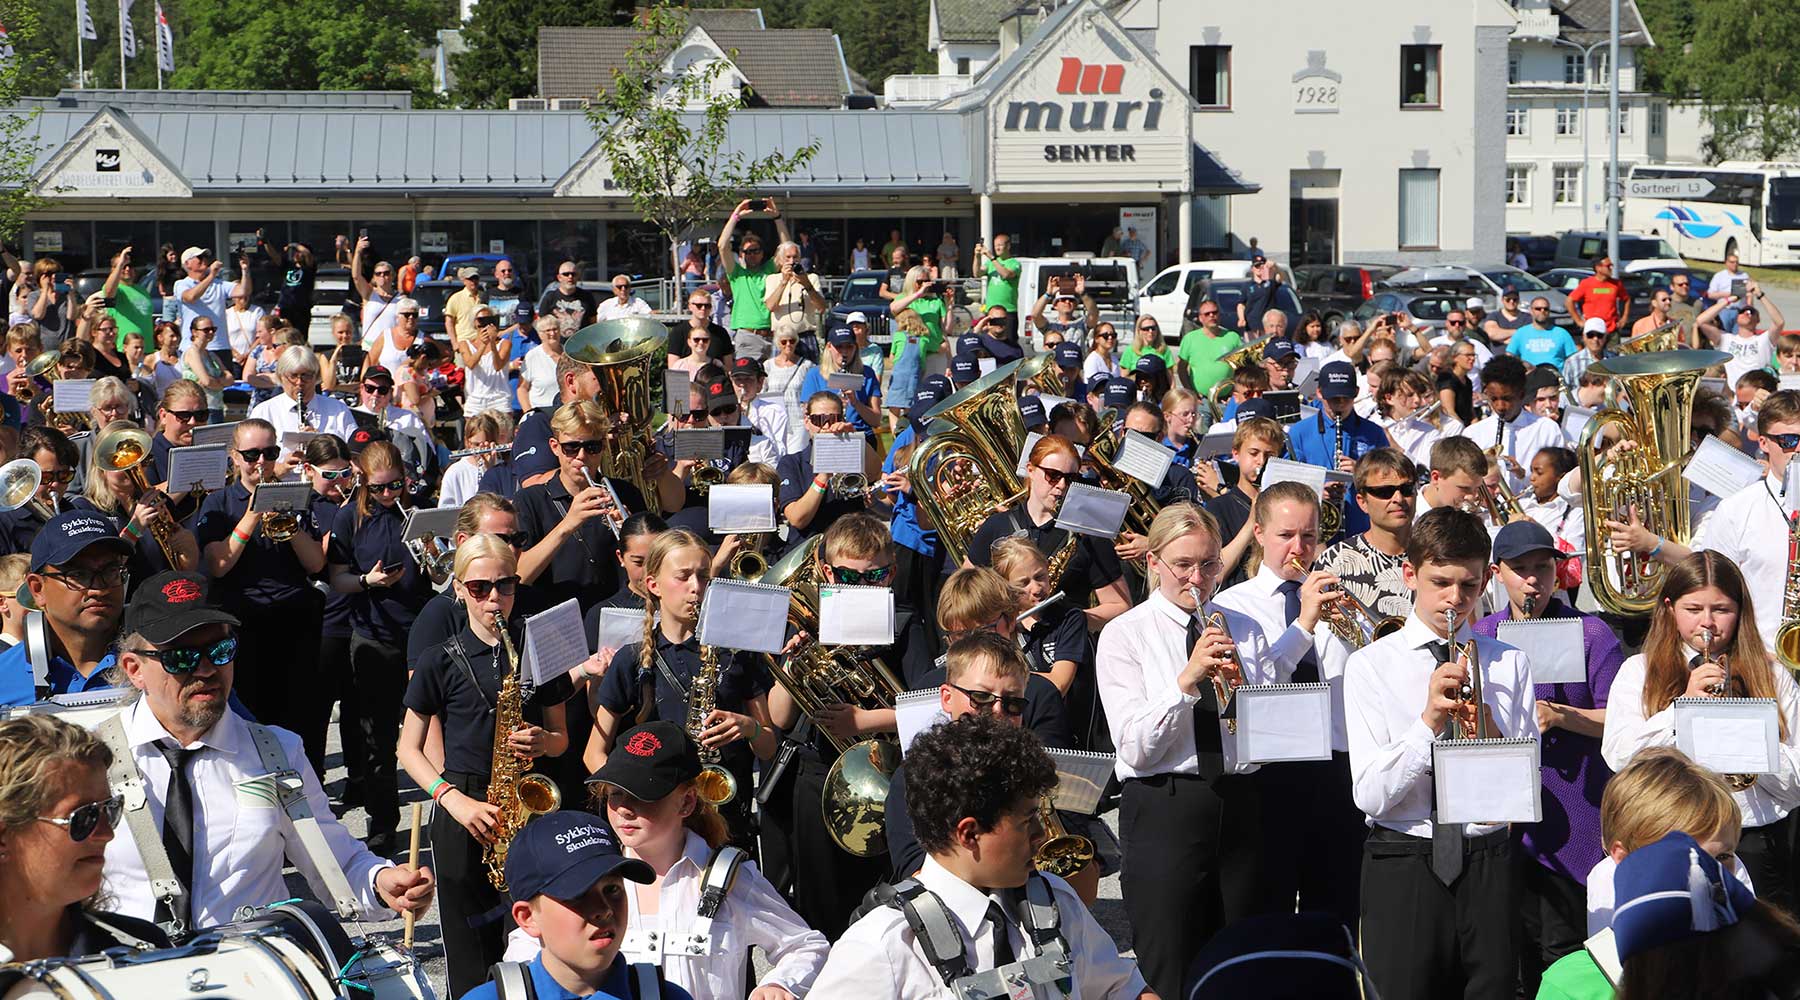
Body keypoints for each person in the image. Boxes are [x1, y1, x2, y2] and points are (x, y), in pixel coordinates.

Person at [104, 569, 434, 934]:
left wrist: (381, 882)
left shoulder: (277, 752)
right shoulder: (89, 756)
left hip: (249, 972)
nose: (206, 668)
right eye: (180, 658)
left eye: (220, 650)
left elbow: (331, 856)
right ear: (134, 669)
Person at [813, 714, 1151, 999]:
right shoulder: (884, 947)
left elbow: (1120, 987)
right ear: (969, 834)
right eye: (1026, 821)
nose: (1041, 834)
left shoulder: (1054, 901)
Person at [1343, 506, 1537, 1000]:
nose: (1455, 600)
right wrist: (1428, 723)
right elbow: (1370, 795)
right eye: (1440, 582)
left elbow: (1521, 789)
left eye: (1469, 586)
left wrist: (1487, 722)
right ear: (1409, 574)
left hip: (1486, 857)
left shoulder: (1508, 661)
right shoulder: (1369, 666)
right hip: (1404, 854)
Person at [524, 720, 830, 999]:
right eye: (615, 794)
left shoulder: (732, 877)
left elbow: (806, 945)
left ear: (686, 801)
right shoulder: (588, 879)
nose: (624, 809)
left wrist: (777, 984)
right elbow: (524, 945)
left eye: (643, 795)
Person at [399, 533, 572, 997]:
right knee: (467, 941)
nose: (494, 598)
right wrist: (453, 802)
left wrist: (544, 740)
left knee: (535, 938)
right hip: (463, 806)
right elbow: (407, 750)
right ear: (458, 589)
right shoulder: (440, 659)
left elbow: (562, 740)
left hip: (522, 804)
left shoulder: (539, 647)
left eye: (505, 585)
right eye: (480, 588)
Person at [1471, 521, 1622, 991]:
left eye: (1543, 567)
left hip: (1576, 809)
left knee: (1565, 943)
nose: (1533, 579)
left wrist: (1562, 716)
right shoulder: (1480, 634)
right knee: (1509, 943)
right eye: (1520, 569)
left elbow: (1619, 721)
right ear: (1497, 574)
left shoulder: (1592, 632)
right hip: (1508, 814)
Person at [1601, 550, 1800, 907]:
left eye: (1721, 610)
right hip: (1670, 837)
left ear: (1740, 611)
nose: (1707, 623)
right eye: (1693, 610)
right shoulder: (1638, 672)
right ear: (1669, 608)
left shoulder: (1773, 677)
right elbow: (1619, 757)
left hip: (1757, 841)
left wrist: (1747, 739)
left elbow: (1797, 782)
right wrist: (1683, 710)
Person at [1214, 482, 1363, 930]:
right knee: (1269, 903)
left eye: (1310, 536)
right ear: (1258, 533)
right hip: (1271, 768)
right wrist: (1304, 623)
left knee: (1336, 907)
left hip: (1335, 762)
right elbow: (1253, 690)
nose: (1299, 548)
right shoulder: (1232, 605)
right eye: (1286, 535)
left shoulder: (1336, 595)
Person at [585, 529, 777, 846]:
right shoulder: (631, 660)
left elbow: (768, 746)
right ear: (653, 585)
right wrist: (631, 796)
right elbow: (594, 752)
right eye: (683, 577)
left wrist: (751, 728)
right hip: (659, 821)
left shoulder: (735, 652)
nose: (696, 588)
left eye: (703, 576)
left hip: (727, 814)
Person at [1609, 389, 1800, 653]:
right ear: (1764, 443)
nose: (1799, 449)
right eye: (1789, 440)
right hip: (1762, 659)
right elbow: (1712, 587)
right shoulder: (1736, 509)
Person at [460, 811, 694, 1000]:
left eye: (612, 889)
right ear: (528, 917)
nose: (604, 909)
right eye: (578, 895)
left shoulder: (666, 995)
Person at [0, 714, 172, 962]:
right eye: (83, 817)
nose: (106, 834)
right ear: (4, 836)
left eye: (110, 809)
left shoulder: (141, 950)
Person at [193, 419, 328, 730]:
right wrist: (252, 515)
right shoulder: (220, 502)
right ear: (235, 456)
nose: (262, 462)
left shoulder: (295, 495)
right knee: (251, 715)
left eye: (270, 452)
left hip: (293, 617)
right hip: (244, 620)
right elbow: (218, 564)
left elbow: (316, 564)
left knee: (297, 714)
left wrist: (288, 523)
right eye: (252, 455)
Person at [965, 434, 1131, 630]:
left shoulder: (1087, 534)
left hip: (1064, 650)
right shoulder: (997, 524)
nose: (1061, 485)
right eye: (1052, 475)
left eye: (1070, 478)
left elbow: (1120, 606)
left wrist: (1069, 623)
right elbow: (964, 592)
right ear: (1031, 470)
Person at [515, 401, 647, 612]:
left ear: (603, 446)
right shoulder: (529, 500)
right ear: (554, 447)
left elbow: (654, 566)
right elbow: (519, 576)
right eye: (571, 447)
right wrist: (567, 525)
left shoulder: (625, 493)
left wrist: (632, 534)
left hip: (619, 615)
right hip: (558, 621)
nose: (581, 456)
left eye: (592, 447)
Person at [0, 511, 131, 706]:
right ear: (37, 589)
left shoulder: (162, 664)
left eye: (110, 571)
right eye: (78, 575)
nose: (98, 589)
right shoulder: (5, 679)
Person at [1317, 448, 1419, 625]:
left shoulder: (1436, 552)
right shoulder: (1335, 562)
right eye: (1384, 492)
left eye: (1407, 489)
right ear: (1362, 502)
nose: (1398, 498)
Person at [1467, 354, 1568, 496]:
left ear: (1522, 394)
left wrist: (1523, 475)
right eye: (1493, 398)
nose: (1500, 406)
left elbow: (1559, 481)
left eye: (1507, 398)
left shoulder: (1546, 429)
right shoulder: (1473, 433)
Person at [1204, 414, 1285, 589]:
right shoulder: (1217, 507)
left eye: (1269, 455)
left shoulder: (1284, 506)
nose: (1261, 461)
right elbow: (1214, 574)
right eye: (1254, 453)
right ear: (1236, 453)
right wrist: (1251, 523)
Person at [719, 199, 792, 357]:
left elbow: (787, 248)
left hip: (773, 334)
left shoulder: (769, 270)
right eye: (748, 252)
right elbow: (722, 246)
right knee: (747, 380)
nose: (752, 254)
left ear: (762, 252)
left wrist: (777, 217)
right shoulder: (736, 273)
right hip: (748, 336)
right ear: (741, 254)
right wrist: (736, 214)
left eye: (756, 250)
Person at [247, 345, 358, 447]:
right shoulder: (264, 412)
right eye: (293, 376)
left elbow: (354, 453)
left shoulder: (339, 410)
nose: (299, 382)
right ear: (281, 377)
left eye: (306, 375)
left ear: (316, 376)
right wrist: (280, 467)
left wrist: (322, 443)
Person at [764, 243, 826, 362]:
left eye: (795, 257)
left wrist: (806, 284)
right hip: (781, 338)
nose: (792, 261)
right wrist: (784, 282)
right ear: (781, 260)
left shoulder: (811, 278)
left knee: (810, 374)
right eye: (788, 257)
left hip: (805, 336)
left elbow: (822, 308)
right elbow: (771, 306)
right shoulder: (772, 279)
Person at [1568, 256, 1629, 335]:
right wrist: (1578, 321)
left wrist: (1624, 319)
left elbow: (1626, 299)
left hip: (1611, 329)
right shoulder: (1586, 283)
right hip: (1592, 329)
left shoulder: (1616, 284)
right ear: (1598, 268)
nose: (1611, 268)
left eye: (1611, 265)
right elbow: (1569, 301)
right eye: (1608, 266)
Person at [1510, 301, 1581, 368]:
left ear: (1549, 312)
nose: (1542, 311)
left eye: (1545, 309)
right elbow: (1510, 356)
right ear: (1531, 311)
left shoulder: (1562, 333)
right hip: (1529, 377)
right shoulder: (1521, 333)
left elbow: (1573, 358)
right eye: (1538, 309)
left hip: (1556, 377)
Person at [538, 260, 598, 335]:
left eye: (573, 274)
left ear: (578, 276)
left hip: (581, 344)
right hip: (558, 345)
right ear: (559, 277)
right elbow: (541, 325)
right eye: (566, 274)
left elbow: (593, 323)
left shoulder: (587, 297)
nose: (570, 277)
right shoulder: (550, 297)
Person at [971, 233, 1021, 315]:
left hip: (1008, 310)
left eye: (1000, 245)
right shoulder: (990, 263)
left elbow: (1006, 274)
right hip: (991, 310)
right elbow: (977, 273)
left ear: (1008, 246)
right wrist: (977, 256)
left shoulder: (1014, 263)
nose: (997, 248)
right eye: (995, 246)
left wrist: (991, 257)